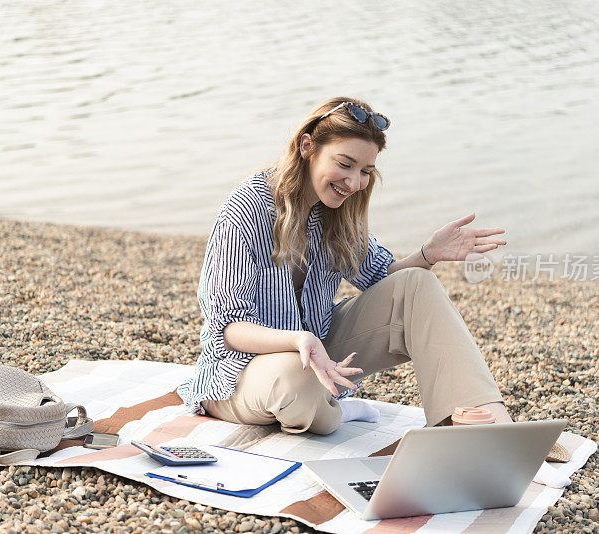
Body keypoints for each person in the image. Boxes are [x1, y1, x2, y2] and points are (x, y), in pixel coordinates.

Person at [176, 96, 510, 435]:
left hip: (317, 349)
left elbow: (383, 279)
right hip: (241, 373)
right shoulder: (245, 209)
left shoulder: (335, 211)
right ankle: (336, 409)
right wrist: (297, 340)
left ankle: (484, 427)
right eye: (345, 164)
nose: (354, 183)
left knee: (416, 285)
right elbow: (228, 330)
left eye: (365, 171)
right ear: (308, 147)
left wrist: (428, 254)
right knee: (298, 380)